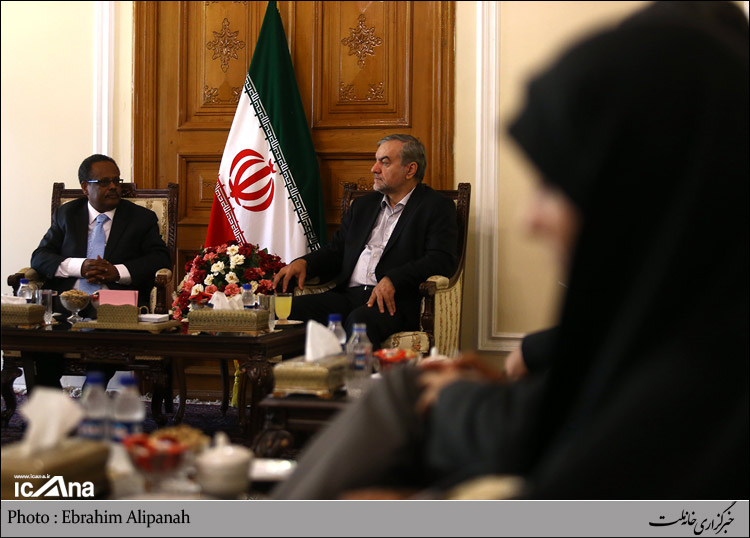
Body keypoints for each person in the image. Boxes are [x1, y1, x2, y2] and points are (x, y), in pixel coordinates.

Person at [272, 1, 748, 499]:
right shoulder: (687, 322)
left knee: (400, 395)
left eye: (554, 185)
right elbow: (575, 401)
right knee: (376, 370)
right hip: (419, 353)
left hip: (396, 311)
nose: (531, 218)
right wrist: (479, 393)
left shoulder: (696, 381)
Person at [273, 134, 458, 348]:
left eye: (384, 162)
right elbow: (337, 250)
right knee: (288, 310)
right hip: (348, 296)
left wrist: (394, 279)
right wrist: (305, 262)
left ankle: (355, 372)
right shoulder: (363, 206)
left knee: (360, 322)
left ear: (410, 170)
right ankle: (296, 371)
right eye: (376, 160)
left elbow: (441, 259)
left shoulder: (436, 206)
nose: (374, 169)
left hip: (393, 302)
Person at [29, 154, 172, 388]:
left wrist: (117, 272)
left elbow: (160, 258)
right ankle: (50, 402)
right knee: (42, 344)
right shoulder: (67, 214)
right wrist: (79, 266)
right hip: (66, 302)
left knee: (106, 342)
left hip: (116, 305)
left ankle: (90, 399)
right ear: (85, 187)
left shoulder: (141, 218)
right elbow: (40, 257)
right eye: (104, 182)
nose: (114, 187)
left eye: (117, 181)